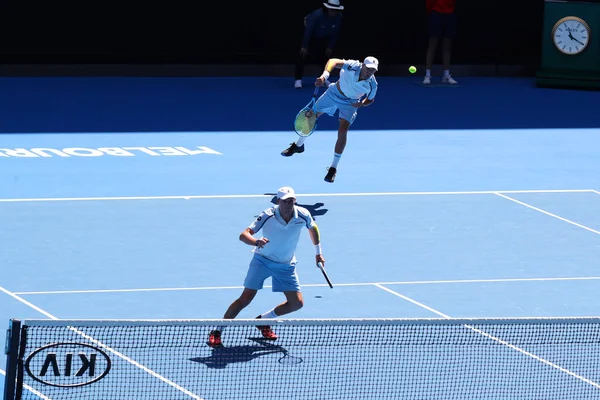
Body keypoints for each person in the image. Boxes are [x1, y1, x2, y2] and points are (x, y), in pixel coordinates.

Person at [208, 186, 326, 348]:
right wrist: (256, 241)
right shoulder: (267, 215)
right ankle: (216, 331)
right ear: (278, 201)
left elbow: (313, 228)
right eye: (285, 201)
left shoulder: (303, 215)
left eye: (291, 200)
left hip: (286, 265)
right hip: (262, 261)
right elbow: (244, 235)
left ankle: (262, 321)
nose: (288, 204)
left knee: (296, 303)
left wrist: (318, 253)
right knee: (245, 299)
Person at [282, 56, 379, 183]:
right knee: (310, 116)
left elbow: (370, 99)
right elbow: (333, 61)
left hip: (350, 103)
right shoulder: (352, 66)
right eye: (368, 69)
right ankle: (298, 145)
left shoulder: (372, 84)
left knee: (342, 131)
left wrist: (361, 103)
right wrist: (324, 76)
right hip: (333, 93)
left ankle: (333, 168)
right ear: (363, 66)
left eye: (373, 70)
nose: (369, 72)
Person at [294, 0, 344, 89]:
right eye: (332, 10)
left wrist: (330, 46)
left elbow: (335, 33)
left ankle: (323, 79)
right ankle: (298, 79)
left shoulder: (338, 17)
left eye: (337, 10)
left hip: (324, 37)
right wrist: (305, 46)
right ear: (327, 9)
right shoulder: (317, 15)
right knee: (302, 54)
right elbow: (308, 31)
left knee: (327, 56)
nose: (335, 12)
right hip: (311, 35)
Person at [424, 0, 458, 85]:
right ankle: (427, 75)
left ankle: (446, 75)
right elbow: (429, 2)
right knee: (432, 45)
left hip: (449, 15)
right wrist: (432, 12)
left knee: (447, 46)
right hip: (436, 14)